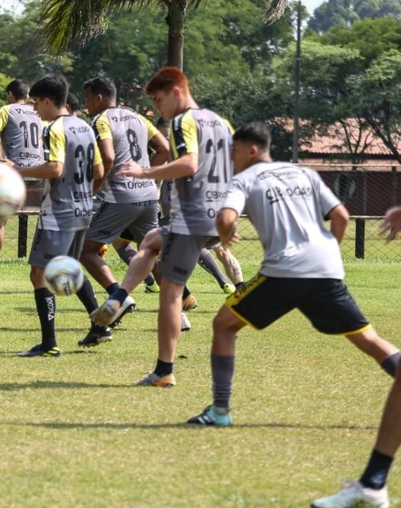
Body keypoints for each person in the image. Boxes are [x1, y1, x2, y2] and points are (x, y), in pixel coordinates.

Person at [175, 123, 401, 508]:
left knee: (223, 324)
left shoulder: (244, 179)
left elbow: (227, 219)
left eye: (233, 150)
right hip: (326, 270)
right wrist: (329, 250)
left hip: (283, 273)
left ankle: (220, 410)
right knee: (367, 339)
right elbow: (342, 216)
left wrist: (226, 233)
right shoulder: (306, 172)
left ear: (249, 150)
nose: (230, 157)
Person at [92, 67, 234, 387]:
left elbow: (189, 164)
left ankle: (163, 371)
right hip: (216, 216)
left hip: (192, 218)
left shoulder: (184, 121)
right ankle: (120, 295)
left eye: (158, 101)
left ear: (176, 92)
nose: (158, 109)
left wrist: (144, 173)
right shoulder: (221, 122)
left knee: (170, 294)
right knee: (152, 240)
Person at [0, 75, 104, 357]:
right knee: (69, 267)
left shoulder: (55, 129)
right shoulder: (84, 127)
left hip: (59, 213)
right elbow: (100, 173)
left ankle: (49, 343)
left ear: (47, 101)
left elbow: (55, 169)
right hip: (83, 209)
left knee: (38, 273)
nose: (34, 110)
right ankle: (102, 323)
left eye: (35, 104)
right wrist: (84, 196)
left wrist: (16, 169)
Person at [77, 77, 170, 347]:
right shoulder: (138, 117)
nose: (85, 106)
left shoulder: (101, 121)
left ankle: (119, 295)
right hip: (149, 196)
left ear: (98, 98)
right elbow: (164, 149)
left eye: (87, 99)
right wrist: (145, 176)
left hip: (121, 197)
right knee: (150, 253)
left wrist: (92, 190)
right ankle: (177, 307)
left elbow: (106, 157)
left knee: (87, 250)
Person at [0, 80, 43, 278]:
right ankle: (45, 264)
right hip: (41, 172)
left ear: (10, 94)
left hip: (15, 172)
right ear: (27, 95)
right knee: (49, 220)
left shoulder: (7, 110)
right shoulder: (39, 112)